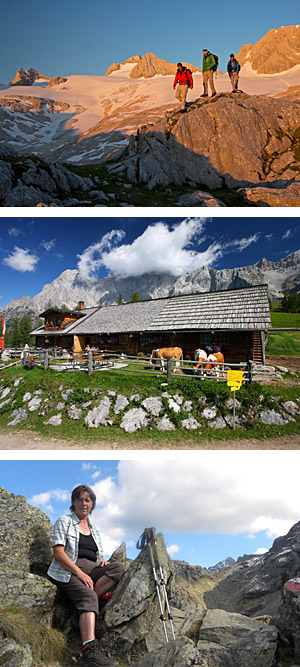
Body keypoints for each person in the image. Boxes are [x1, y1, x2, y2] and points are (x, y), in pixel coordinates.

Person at [48, 485, 125, 667]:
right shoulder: (64, 522)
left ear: (92, 504)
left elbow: (98, 554)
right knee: (89, 595)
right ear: (73, 502)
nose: (84, 503)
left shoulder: (94, 529)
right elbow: (58, 553)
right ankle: (89, 653)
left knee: (119, 568)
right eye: (80, 499)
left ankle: (80, 612)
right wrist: (80, 573)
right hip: (68, 569)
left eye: (88, 500)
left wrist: (103, 562)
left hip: (91, 569)